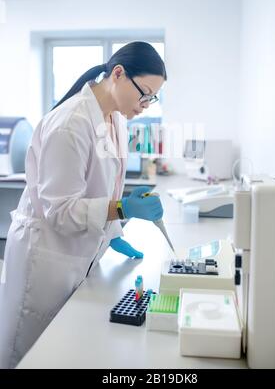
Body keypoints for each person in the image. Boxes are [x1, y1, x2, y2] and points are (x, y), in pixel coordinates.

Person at [0, 41, 167, 369]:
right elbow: (61, 211)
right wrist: (123, 210)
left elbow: (102, 185)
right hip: (45, 259)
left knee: (65, 349)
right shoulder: (70, 124)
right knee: (28, 350)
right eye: (144, 93)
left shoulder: (115, 119)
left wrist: (112, 231)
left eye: (153, 97)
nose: (146, 104)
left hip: (78, 253)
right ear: (118, 74)